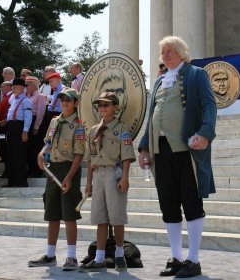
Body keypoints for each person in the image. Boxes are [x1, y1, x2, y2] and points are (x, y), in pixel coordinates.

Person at [138, 36, 217, 278]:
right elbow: (151, 115)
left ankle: (193, 260)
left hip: (187, 148)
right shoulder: (160, 81)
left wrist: (205, 133)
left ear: (182, 52)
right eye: (163, 53)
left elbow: (209, 105)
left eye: (170, 51)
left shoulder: (196, 74)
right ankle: (176, 257)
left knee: (191, 202)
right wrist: (143, 147)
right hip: (160, 150)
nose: (166, 56)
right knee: (168, 204)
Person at [28, 88, 86, 271]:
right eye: (62, 100)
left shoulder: (78, 125)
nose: (64, 103)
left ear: (76, 103)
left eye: (68, 100)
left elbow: (79, 154)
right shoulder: (54, 121)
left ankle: (71, 257)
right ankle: (50, 254)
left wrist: (69, 176)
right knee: (51, 212)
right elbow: (48, 142)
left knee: (69, 214)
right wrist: (41, 153)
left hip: (69, 169)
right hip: (53, 170)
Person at [79, 91, 136, 273]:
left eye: (106, 104)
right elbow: (89, 160)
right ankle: (100, 257)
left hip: (114, 174)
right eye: (100, 105)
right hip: (98, 175)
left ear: (115, 107)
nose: (102, 108)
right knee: (100, 218)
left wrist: (125, 177)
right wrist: (88, 183)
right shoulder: (94, 131)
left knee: (117, 217)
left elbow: (126, 157)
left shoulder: (122, 130)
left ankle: (119, 254)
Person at [6, 78, 32, 187]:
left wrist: (25, 131)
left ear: (22, 88)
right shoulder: (13, 99)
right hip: (11, 127)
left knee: (19, 155)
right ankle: (11, 181)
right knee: (10, 155)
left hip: (19, 127)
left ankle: (20, 182)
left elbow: (28, 117)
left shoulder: (25, 100)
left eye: (15, 87)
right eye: (12, 87)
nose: (13, 89)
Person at [25, 76, 46, 177]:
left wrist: (36, 127)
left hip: (35, 122)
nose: (26, 87)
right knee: (28, 148)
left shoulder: (40, 96)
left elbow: (40, 113)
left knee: (35, 147)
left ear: (34, 86)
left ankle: (37, 171)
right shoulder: (27, 96)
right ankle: (30, 169)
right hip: (27, 122)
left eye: (27, 85)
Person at [0, 81, 12, 176]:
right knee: (2, 149)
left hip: (7, 126)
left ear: (8, 87)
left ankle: (8, 171)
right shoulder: (5, 97)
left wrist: (5, 120)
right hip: (1, 126)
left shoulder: (11, 97)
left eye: (2, 86)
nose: (1, 88)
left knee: (5, 149)